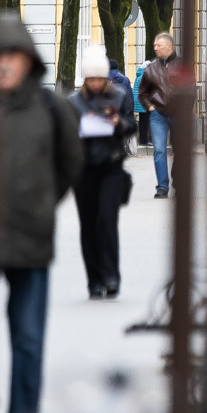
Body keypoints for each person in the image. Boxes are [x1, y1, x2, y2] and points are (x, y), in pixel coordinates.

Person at [0, 12, 84, 413]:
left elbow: (71, 163)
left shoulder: (51, 107)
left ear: (27, 61)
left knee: (28, 339)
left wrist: (42, 201)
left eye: (12, 55)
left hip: (30, 241)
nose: (3, 64)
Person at [70, 46, 136, 300]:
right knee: (88, 224)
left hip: (111, 167)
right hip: (83, 170)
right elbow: (65, 134)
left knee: (107, 220)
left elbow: (132, 127)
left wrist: (119, 123)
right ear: (85, 79)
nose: (96, 83)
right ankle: (94, 280)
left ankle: (111, 276)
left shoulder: (118, 97)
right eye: (91, 79)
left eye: (100, 78)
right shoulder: (74, 103)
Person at [137, 33, 184, 198]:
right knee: (159, 150)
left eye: (159, 45)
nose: (155, 48)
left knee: (180, 150)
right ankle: (162, 187)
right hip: (158, 115)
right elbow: (142, 93)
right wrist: (150, 108)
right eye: (154, 45)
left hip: (179, 114)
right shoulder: (151, 69)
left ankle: (178, 183)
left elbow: (190, 90)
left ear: (169, 46)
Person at [132, 60, 151, 146]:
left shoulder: (139, 75)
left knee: (142, 121)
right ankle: (144, 140)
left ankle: (142, 139)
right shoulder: (145, 76)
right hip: (143, 102)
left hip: (139, 101)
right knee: (145, 122)